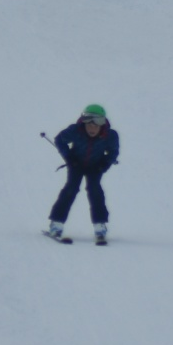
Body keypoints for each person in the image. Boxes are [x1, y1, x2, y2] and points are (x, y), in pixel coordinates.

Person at [46, 104, 120, 245]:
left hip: (95, 167)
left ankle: (100, 226)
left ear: (102, 124)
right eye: (89, 123)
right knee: (71, 189)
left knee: (95, 190)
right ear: (83, 122)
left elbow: (113, 152)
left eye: (97, 124)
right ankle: (56, 223)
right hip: (76, 164)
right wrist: (70, 158)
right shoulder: (75, 130)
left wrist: (103, 164)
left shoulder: (110, 135)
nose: (92, 128)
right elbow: (60, 140)